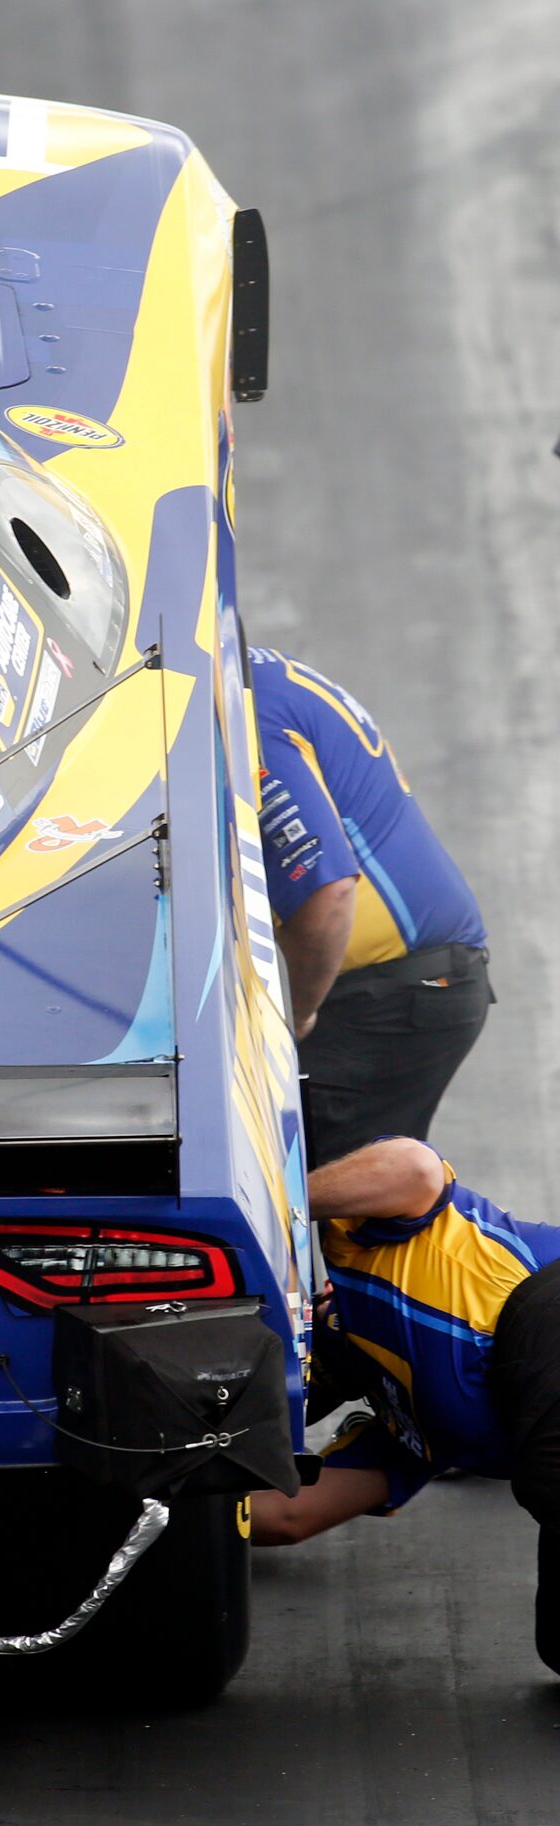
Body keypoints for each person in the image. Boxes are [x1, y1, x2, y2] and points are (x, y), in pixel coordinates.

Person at [249, 1136, 560, 1670]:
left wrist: (259, 1205)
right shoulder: (408, 1430)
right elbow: (284, 1517)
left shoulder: (363, 1249)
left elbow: (413, 1167)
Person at [251, 648, 490, 1165]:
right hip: (418, 980)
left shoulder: (246, 716)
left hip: (392, 994)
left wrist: (293, 1016)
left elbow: (328, 892)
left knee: (312, 1192)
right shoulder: (259, 670)